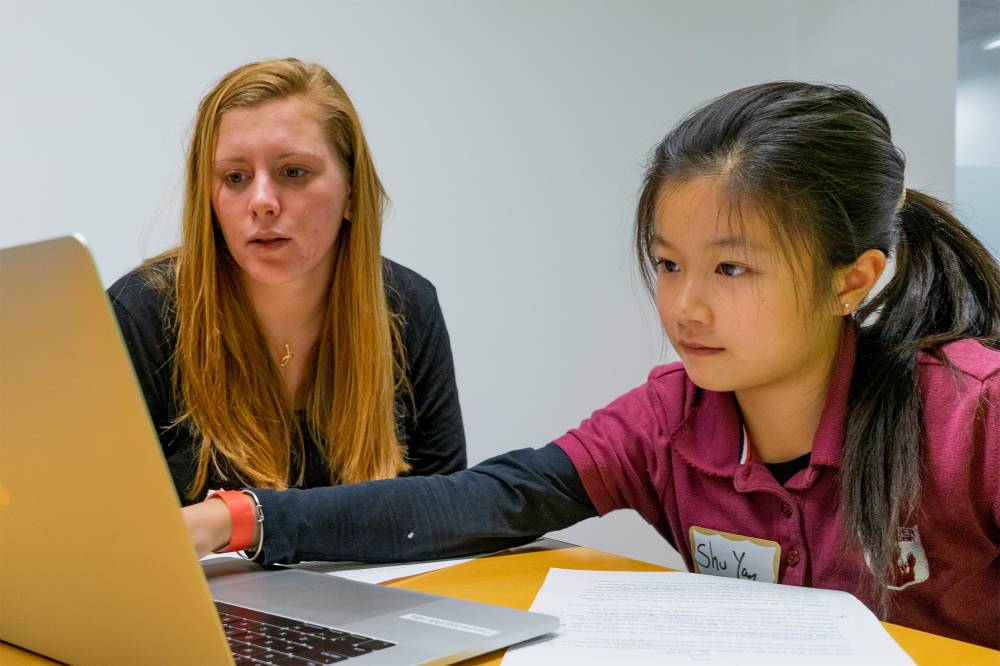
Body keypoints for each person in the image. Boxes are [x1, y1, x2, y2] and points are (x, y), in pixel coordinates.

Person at [181, 82, 999, 648]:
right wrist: (241, 520)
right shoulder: (670, 420)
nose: (684, 308)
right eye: (668, 264)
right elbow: (487, 498)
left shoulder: (976, 419)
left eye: (732, 268)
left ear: (849, 279)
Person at [108, 58, 467, 506]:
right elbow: (107, 524)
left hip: (370, 579)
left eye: (293, 172)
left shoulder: (408, 305)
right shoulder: (141, 313)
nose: (261, 202)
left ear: (352, 191)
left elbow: (446, 511)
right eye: (235, 178)